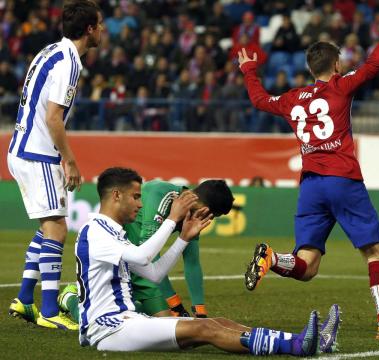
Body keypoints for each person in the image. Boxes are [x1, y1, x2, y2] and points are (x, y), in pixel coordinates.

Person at [238, 0, 379, 341]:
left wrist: (248, 71)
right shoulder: (340, 86)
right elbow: (375, 63)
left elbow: (260, 101)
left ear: (308, 67)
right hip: (343, 180)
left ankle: (273, 259)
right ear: (336, 63)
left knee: (307, 266)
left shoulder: (292, 98)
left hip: (311, 186)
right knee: (374, 253)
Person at [74, 167, 340, 355]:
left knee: (218, 322)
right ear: (116, 195)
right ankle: (294, 346)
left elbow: (152, 273)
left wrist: (183, 239)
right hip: (108, 327)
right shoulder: (96, 230)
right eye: (135, 197)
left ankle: (301, 340)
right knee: (204, 328)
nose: (140, 204)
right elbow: (144, 255)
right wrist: (171, 219)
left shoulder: (111, 232)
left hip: (125, 320)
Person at [7, 0, 103, 330]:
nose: (102, 30)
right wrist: (70, 160)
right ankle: (49, 310)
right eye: (100, 25)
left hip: (21, 148)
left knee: (47, 228)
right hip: (38, 154)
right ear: (89, 29)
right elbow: (53, 118)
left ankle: (24, 299)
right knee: (58, 228)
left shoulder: (50, 52)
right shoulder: (69, 62)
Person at [125, 178, 234, 319]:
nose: (209, 219)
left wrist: (200, 311)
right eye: (213, 216)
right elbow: (149, 254)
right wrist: (174, 304)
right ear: (205, 209)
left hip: (139, 264)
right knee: (162, 322)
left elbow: (192, 261)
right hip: (121, 261)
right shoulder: (160, 194)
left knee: (167, 322)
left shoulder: (194, 212)